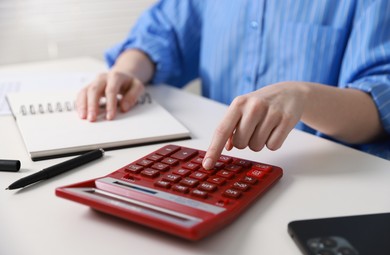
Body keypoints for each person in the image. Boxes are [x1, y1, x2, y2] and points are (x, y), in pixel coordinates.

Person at [77, 0, 390, 169]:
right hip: (220, 172)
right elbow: (165, 30)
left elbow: (380, 104)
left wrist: (303, 97)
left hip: (322, 179)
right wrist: (129, 69)